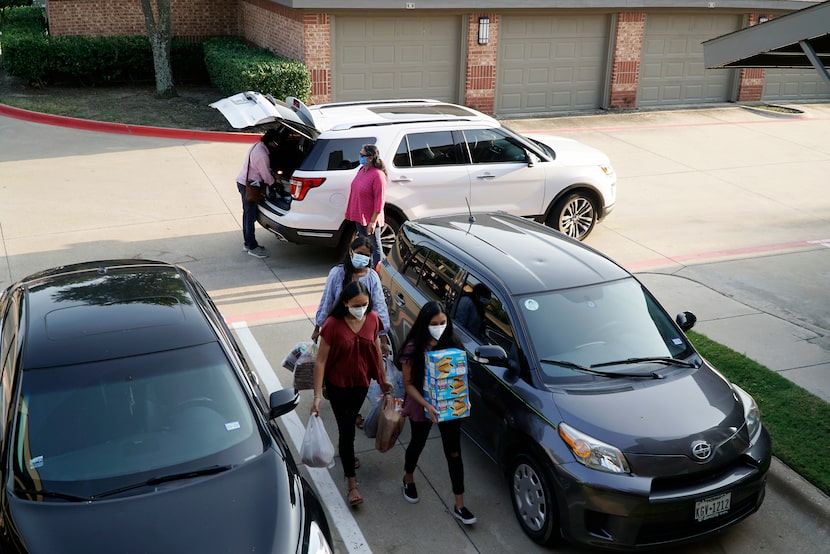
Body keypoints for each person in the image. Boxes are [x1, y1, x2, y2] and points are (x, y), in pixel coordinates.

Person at [311, 281, 391, 508]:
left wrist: (383, 381)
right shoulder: (332, 325)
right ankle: (352, 485)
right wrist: (317, 396)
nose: (361, 309)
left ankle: (346, 453)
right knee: (346, 431)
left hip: (361, 384)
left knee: (348, 427)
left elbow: (375, 350)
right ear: (345, 303)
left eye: (364, 304)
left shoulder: (373, 319)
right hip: (338, 386)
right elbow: (321, 361)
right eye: (356, 305)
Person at [397, 301, 477, 525]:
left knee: (454, 453)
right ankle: (408, 477)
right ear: (425, 323)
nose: (440, 327)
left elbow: (459, 376)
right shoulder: (414, 347)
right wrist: (427, 405)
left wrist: (464, 399)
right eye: (434, 323)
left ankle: (459, 505)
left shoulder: (452, 342)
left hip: (449, 405)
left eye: (443, 322)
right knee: (418, 442)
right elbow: (408, 384)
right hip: (422, 403)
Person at [312, 235, 391, 430]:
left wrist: (382, 338)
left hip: (362, 335)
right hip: (339, 334)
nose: (362, 258)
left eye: (366, 255)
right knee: (334, 367)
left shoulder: (372, 277)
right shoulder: (337, 274)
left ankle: (351, 414)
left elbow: (379, 307)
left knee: (358, 371)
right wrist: (318, 325)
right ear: (350, 252)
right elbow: (327, 300)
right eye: (359, 254)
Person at [236, 129, 280, 258]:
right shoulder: (262, 155)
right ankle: (252, 246)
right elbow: (266, 176)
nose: (276, 146)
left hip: (244, 182)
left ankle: (247, 243)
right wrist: (275, 184)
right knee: (250, 217)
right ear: (271, 142)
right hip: (250, 186)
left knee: (247, 215)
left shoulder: (257, 146)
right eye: (275, 143)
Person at [345, 144, 387, 268]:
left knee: (375, 245)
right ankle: (366, 269)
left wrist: (372, 222)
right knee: (364, 244)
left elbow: (380, 201)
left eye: (362, 155)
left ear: (370, 158)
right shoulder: (361, 170)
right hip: (360, 216)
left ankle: (377, 271)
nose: (360, 157)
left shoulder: (378, 175)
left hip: (371, 219)